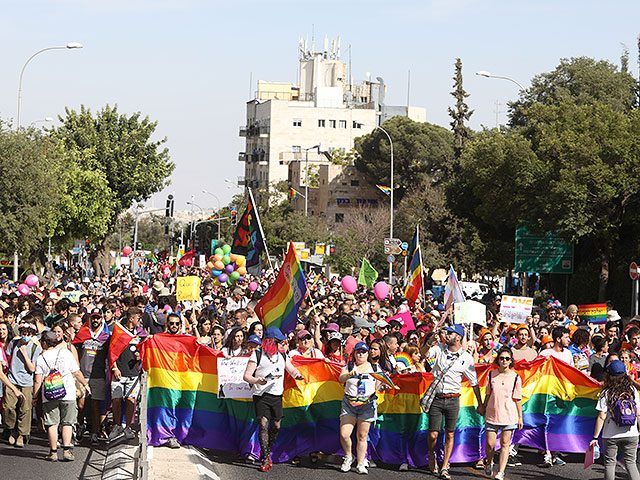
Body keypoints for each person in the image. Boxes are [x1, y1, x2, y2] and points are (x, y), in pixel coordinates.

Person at [243, 327, 304, 472]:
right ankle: (264, 458)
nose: (281, 344)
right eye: (278, 342)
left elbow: (291, 369)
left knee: (276, 426)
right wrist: (258, 381)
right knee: (263, 424)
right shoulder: (257, 355)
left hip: (276, 395)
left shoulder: (282, 355)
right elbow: (246, 376)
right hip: (261, 395)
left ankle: (267, 451)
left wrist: (298, 375)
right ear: (269, 342)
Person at [426, 324, 483, 480]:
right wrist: (428, 342)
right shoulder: (439, 348)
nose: (447, 334)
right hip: (437, 398)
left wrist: (480, 403)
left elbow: (474, 382)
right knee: (433, 435)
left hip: (453, 399)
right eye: (447, 332)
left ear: (458, 337)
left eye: (451, 333)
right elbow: (423, 354)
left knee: (450, 433)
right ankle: (432, 455)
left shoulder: (466, 357)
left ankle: (445, 466)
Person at [33, 331, 90, 461]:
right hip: (68, 393)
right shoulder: (66, 353)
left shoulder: (41, 357)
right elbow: (76, 372)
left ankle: (53, 452)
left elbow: (38, 380)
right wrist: (86, 385)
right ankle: (66, 451)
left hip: (49, 395)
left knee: (52, 423)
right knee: (67, 423)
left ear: (45, 342)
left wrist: (35, 397)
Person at [477, 347, 523, 480]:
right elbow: (488, 394)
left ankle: (501, 472)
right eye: (502, 358)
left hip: (509, 415)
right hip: (492, 414)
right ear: (498, 359)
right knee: (490, 444)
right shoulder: (491, 374)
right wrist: (483, 406)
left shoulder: (516, 377)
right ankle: (490, 462)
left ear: (511, 361)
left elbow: (518, 399)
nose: (504, 361)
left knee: (505, 444)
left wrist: (520, 417)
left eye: (507, 358)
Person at [590, 360, 640, 480]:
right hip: (631, 433)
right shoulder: (633, 391)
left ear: (609, 375)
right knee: (631, 463)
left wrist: (595, 437)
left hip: (610, 434)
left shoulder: (606, 392)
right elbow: (638, 414)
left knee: (609, 463)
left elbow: (602, 416)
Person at [338, 342, 380, 474]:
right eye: (358, 352)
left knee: (362, 436)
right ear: (354, 353)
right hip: (349, 403)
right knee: (344, 434)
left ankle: (361, 463)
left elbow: (379, 385)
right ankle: (349, 457)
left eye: (363, 352)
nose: (361, 354)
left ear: (368, 354)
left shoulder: (375, 367)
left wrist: (383, 387)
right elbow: (341, 378)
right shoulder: (349, 366)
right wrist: (350, 374)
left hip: (367, 404)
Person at [3, 321, 41, 447]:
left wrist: (25, 353)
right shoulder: (14, 343)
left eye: (28, 333)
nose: (25, 336)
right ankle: (12, 429)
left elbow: (32, 368)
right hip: (12, 379)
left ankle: (21, 434)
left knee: (25, 409)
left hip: (27, 382)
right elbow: (7, 357)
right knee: (8, 406)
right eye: (23, 333)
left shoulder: (36, 347)